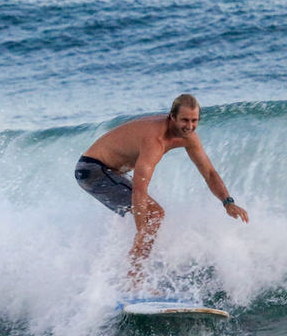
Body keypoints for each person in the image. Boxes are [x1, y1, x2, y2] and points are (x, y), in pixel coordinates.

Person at [75, 94, 249, 288]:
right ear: (172, 117)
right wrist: (142, 231)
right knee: (154, 214)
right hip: (93, 170)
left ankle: (123, 275)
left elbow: (209, 172)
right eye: (185, 120)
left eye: (194, 120)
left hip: (109, 172)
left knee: (150, 218)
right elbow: (139, 191)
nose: (190, 126)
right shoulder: (155, 140)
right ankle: (134, 280)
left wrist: (228, 202)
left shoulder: (189, 137)